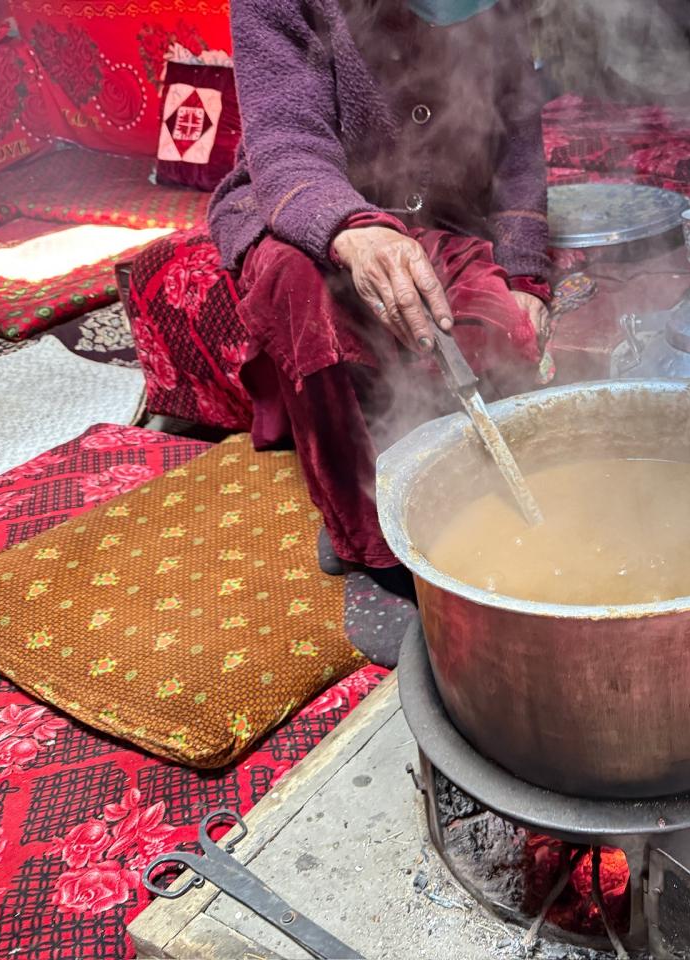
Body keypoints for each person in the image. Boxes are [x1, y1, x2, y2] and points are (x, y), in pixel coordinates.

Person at [209, 0, 552, 601]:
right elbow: (286, 140)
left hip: (444, 216)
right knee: (302, 295)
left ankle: (458, 495)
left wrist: (525, 276)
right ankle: (371, 547)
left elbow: (517, 139)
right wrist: (353, 230)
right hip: (309, 206)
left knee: (502, 334)